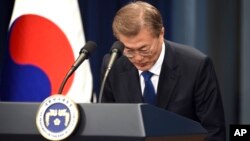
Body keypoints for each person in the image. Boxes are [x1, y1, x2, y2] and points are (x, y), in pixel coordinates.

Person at [101, 1, 226, 141]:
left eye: (144, 49)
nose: (137, 58)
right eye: (129, 51)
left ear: (161, 34)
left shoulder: (196, 66)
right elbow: (108, 128)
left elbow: (214, 132)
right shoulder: (113, 66)